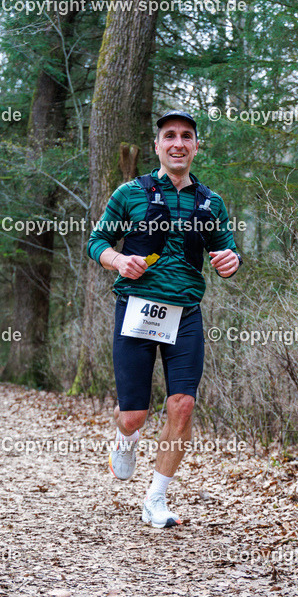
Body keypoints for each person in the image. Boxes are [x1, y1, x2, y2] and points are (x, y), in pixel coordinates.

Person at [87, 110, 242, 528]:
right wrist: (118, 260)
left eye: (186, 136)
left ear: (195, 146)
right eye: (169, 136)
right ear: (157, 146)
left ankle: (156, 499)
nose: (178, 143)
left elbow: (227, 248)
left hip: (186, 313)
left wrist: (232, 259)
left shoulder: (211, 202)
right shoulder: (130, 193)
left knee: (183, 404)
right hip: (137, 310)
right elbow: (97, 241)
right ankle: (126, 437)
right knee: (133, 414)